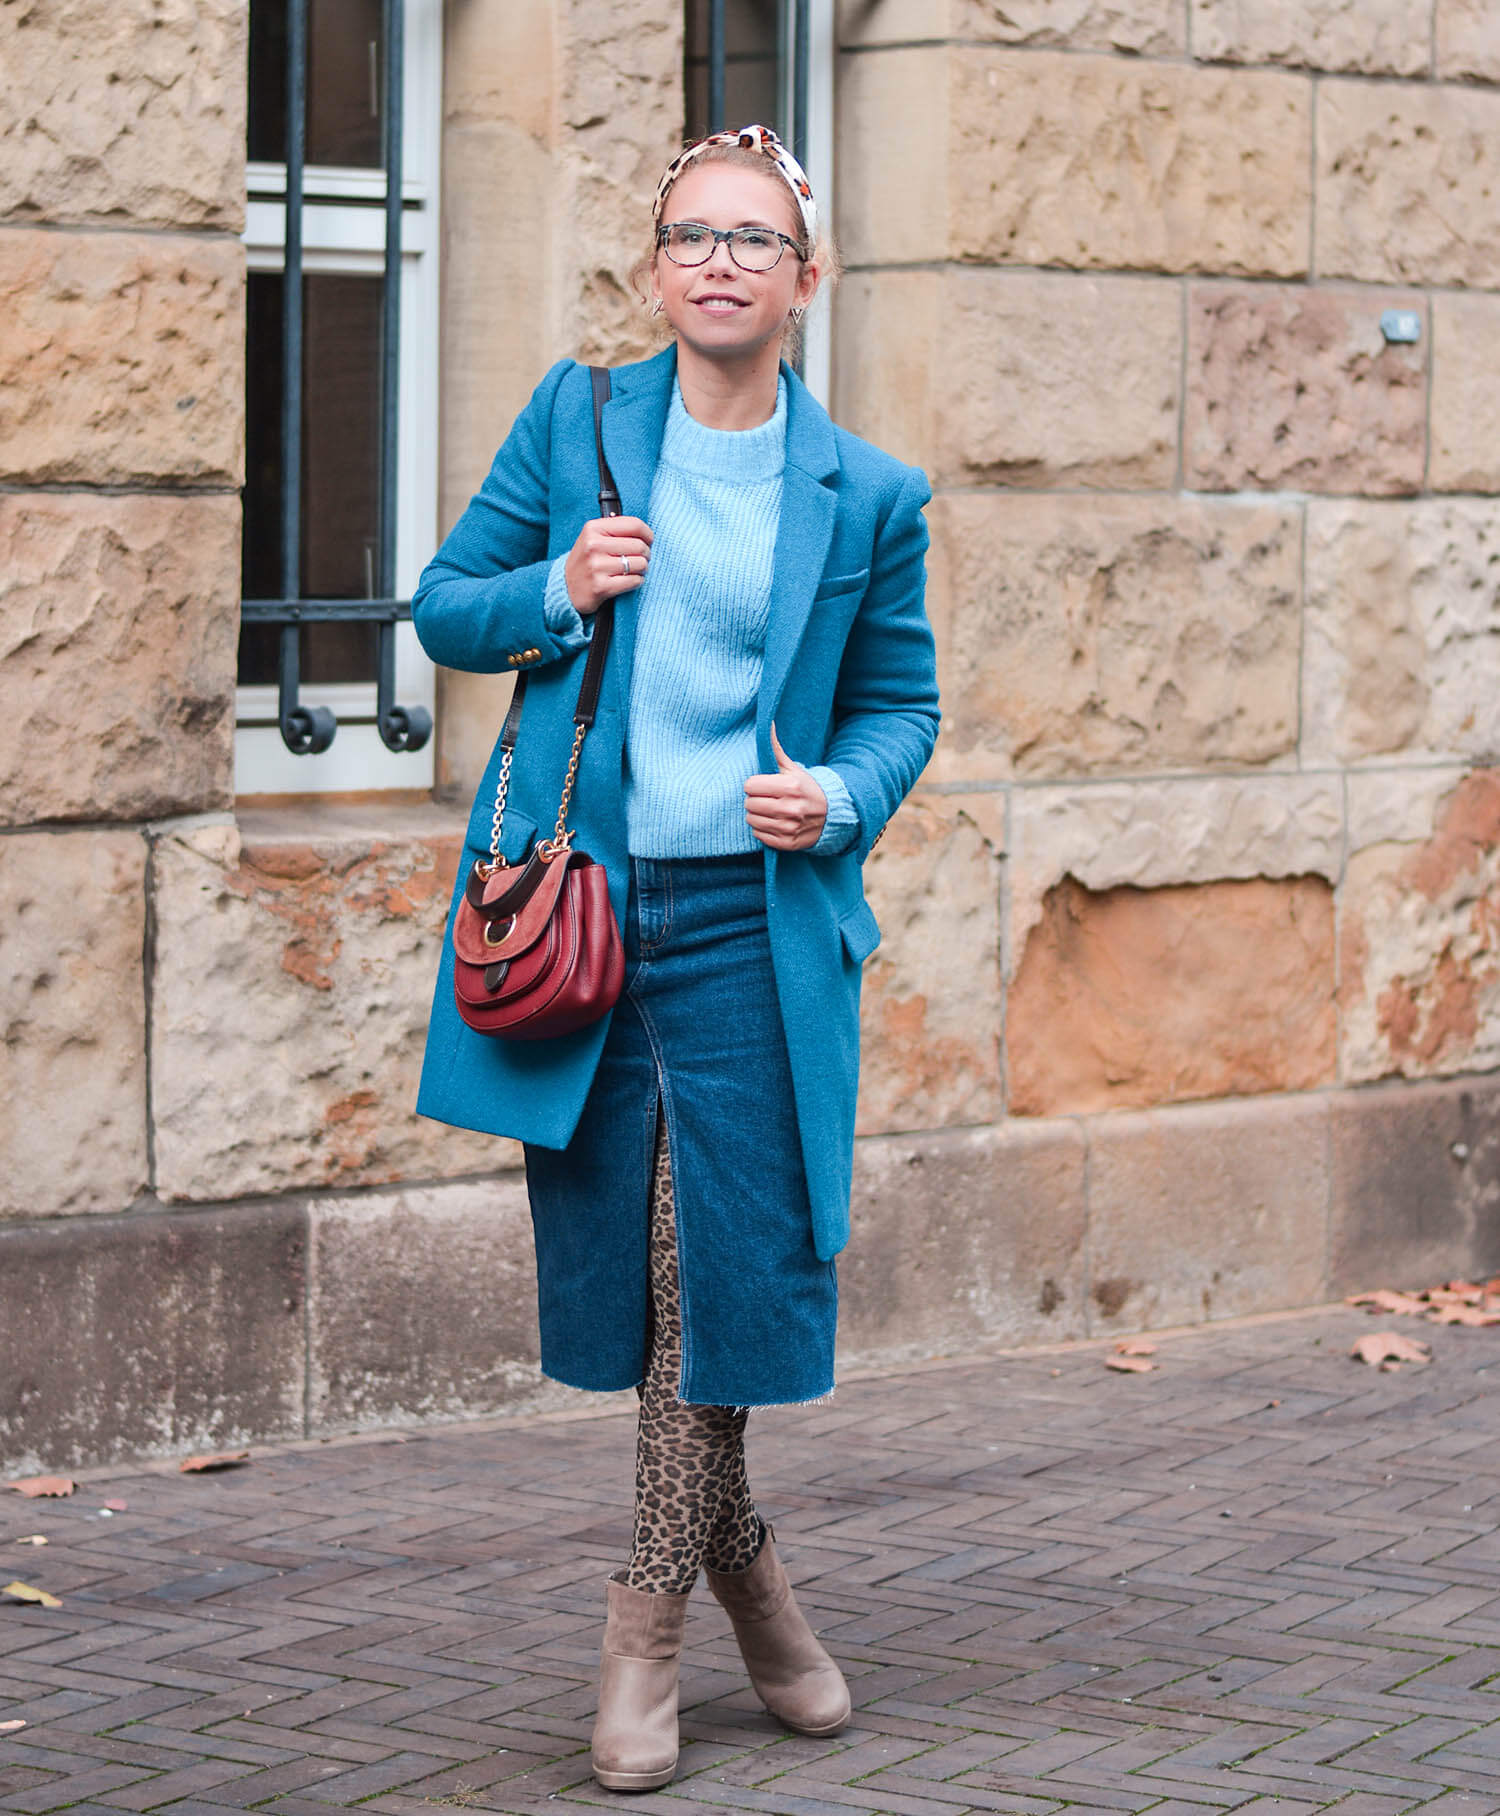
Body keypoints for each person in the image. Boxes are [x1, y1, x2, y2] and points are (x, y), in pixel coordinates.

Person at [411, 124, 940, 1792]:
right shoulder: (578, 424)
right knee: (647, 1287)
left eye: (754, 239)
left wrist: (837, 796)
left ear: (807, 276)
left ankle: (644, 1631)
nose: (720, 260)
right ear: (658, 268)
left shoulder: (870, 492)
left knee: (722, 1277)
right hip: (589, 918)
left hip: (754, 935)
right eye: (690, 234)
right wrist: (557, 586)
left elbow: (901, 706)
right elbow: (441, 607)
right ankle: (755, 1581)